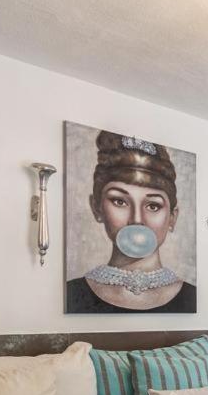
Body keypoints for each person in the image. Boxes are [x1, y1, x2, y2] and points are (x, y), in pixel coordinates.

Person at [66, 131, 196, 312]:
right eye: (120, 202)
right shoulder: (71, 293)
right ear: (97, 208)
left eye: (153, 206)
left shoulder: (192, 297)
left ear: (172, 217)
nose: (136, 219)